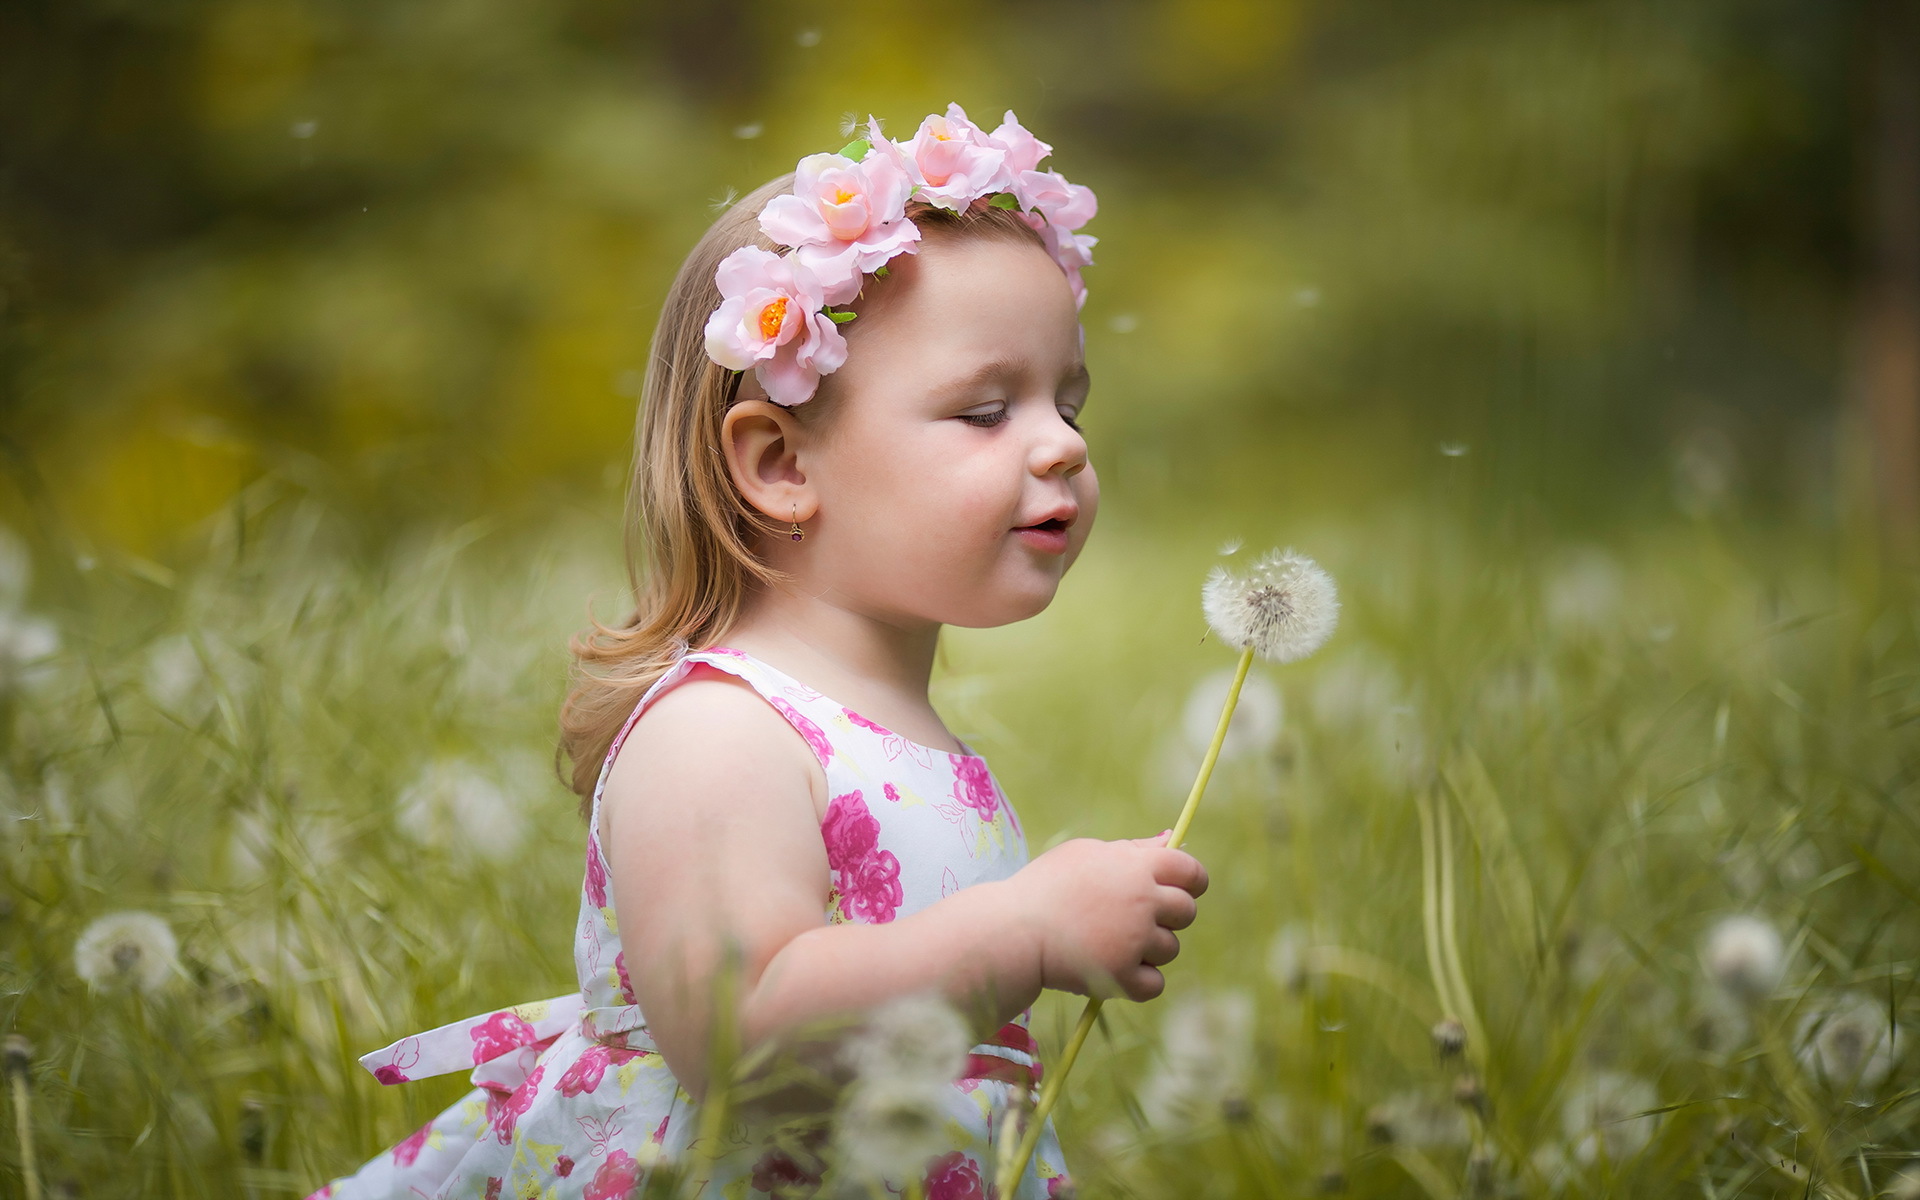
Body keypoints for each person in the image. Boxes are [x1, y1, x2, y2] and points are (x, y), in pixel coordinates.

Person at [307, 102, 1208, 1200]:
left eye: (1067, 402)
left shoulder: (904, 737)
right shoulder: (718, 732)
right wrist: (1019, 933)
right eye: (985, 411)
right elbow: (736, 1036)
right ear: (781, 463)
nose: (1063, 444)